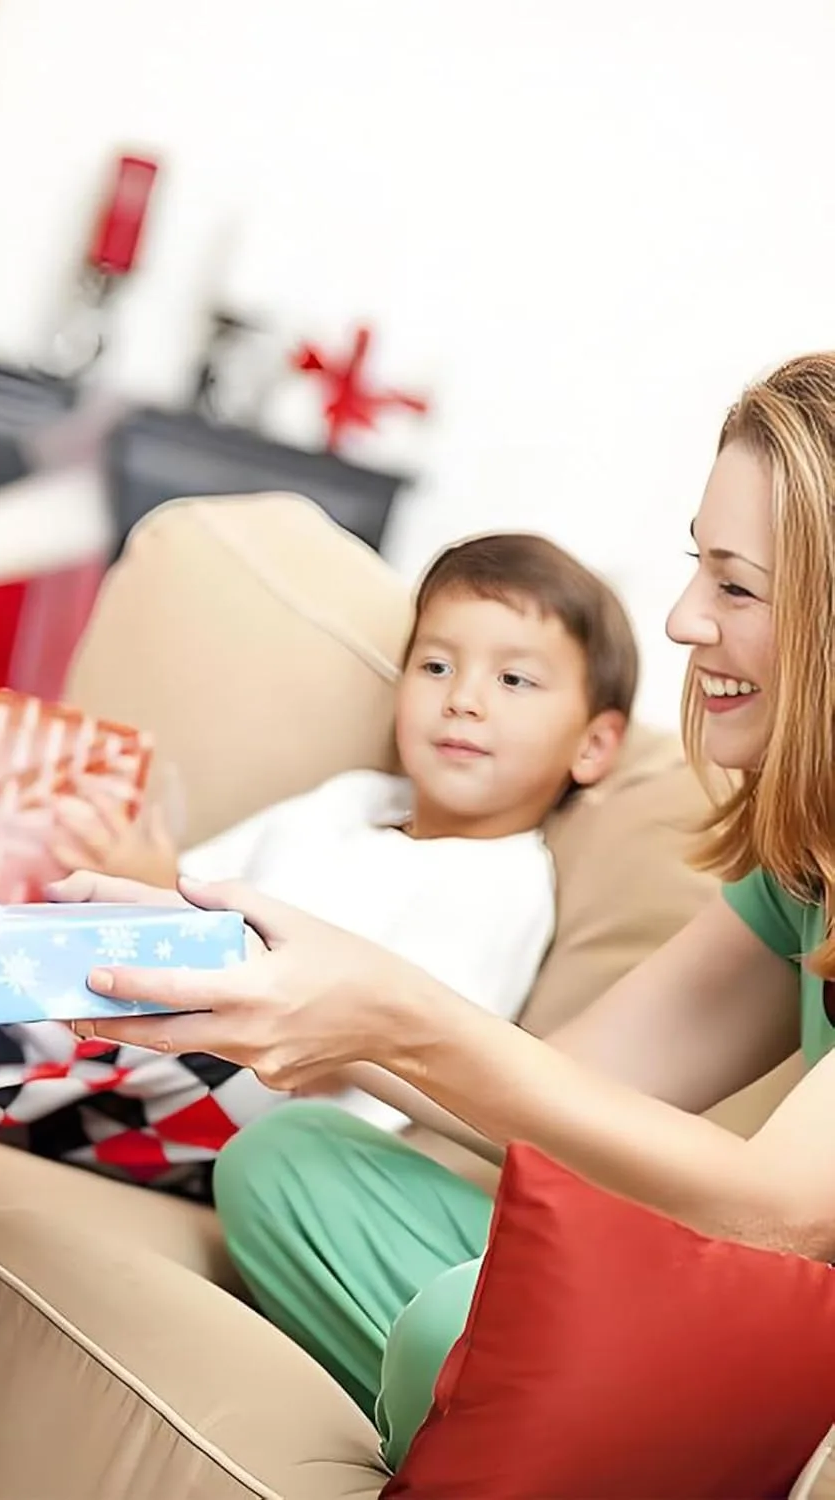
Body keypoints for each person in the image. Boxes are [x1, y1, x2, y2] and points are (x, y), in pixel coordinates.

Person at [56, 351, 835, 1472]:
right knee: (296, 1166)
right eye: (694, 570)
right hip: (756, 1321)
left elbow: (781, 1211)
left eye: (736, 585)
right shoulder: (801, 871)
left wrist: (392, 1012)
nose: (681, 621)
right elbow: (571, 1098)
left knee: (451, 1330)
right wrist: (261, 985)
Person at [0, 534, 634, 1199]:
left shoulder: (502, 883)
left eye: (515, 680)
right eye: (438, 665)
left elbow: (421, 1048)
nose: (464, 698)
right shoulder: (345, 805)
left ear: (594, 745)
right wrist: (145, 875)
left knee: (211, 1052)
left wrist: (245, 1001)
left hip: (276, 1096)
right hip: (174, 1025)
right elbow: (186, 896)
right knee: (73, 955)